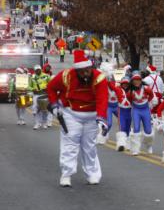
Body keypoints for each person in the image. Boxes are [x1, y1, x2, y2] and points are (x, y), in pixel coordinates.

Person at [47, 50, 108, 187]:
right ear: (77, 70)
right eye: (82, 71)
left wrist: (101, 118)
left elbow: (102, 99)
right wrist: (55, 105)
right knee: (70, 145)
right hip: (70, 114)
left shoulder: (99, 78)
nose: (85, 74)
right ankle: (66, 174)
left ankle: (92, 173)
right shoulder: (66, 76)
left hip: (91, 116)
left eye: (87, 70)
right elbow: (51, 87)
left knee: (89, 146)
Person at [128, 71, 156, 156]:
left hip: (145, 110)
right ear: (132, 82)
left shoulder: (146, 88)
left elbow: (151, 96)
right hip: (136, 110)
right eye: (135, 80)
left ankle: (149, 145)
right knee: (136, 129)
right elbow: (130, 100)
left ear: (141, 80)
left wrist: (148, 103)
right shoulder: (130, 92)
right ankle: (135, 149)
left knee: (148, 131)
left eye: (138, 80)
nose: (137, 82)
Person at [111, 77, 132, 152]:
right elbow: (110, 85)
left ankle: (128, 144)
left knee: (128, 128)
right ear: (121, 84)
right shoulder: (118, 89)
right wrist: (107, 76)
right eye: (124, 84)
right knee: (122, 127)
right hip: (121, 111)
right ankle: (121, 144)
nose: (125, 85)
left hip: (130, 111)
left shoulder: (132, 90)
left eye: (127, 84)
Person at [29, 65, 51, 130]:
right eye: (36, 70)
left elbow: (51, 84)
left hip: (44, 95)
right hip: (36, 95)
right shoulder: (32, 77)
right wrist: (33, 89)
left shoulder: (46, 76)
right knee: (35, 109)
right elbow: (29, 86)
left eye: (38, 69)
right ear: (34, 70)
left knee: (45, 110)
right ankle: (37, 123)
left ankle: (44, 123)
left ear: (41, 69)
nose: (37, 71)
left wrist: (47, 88)